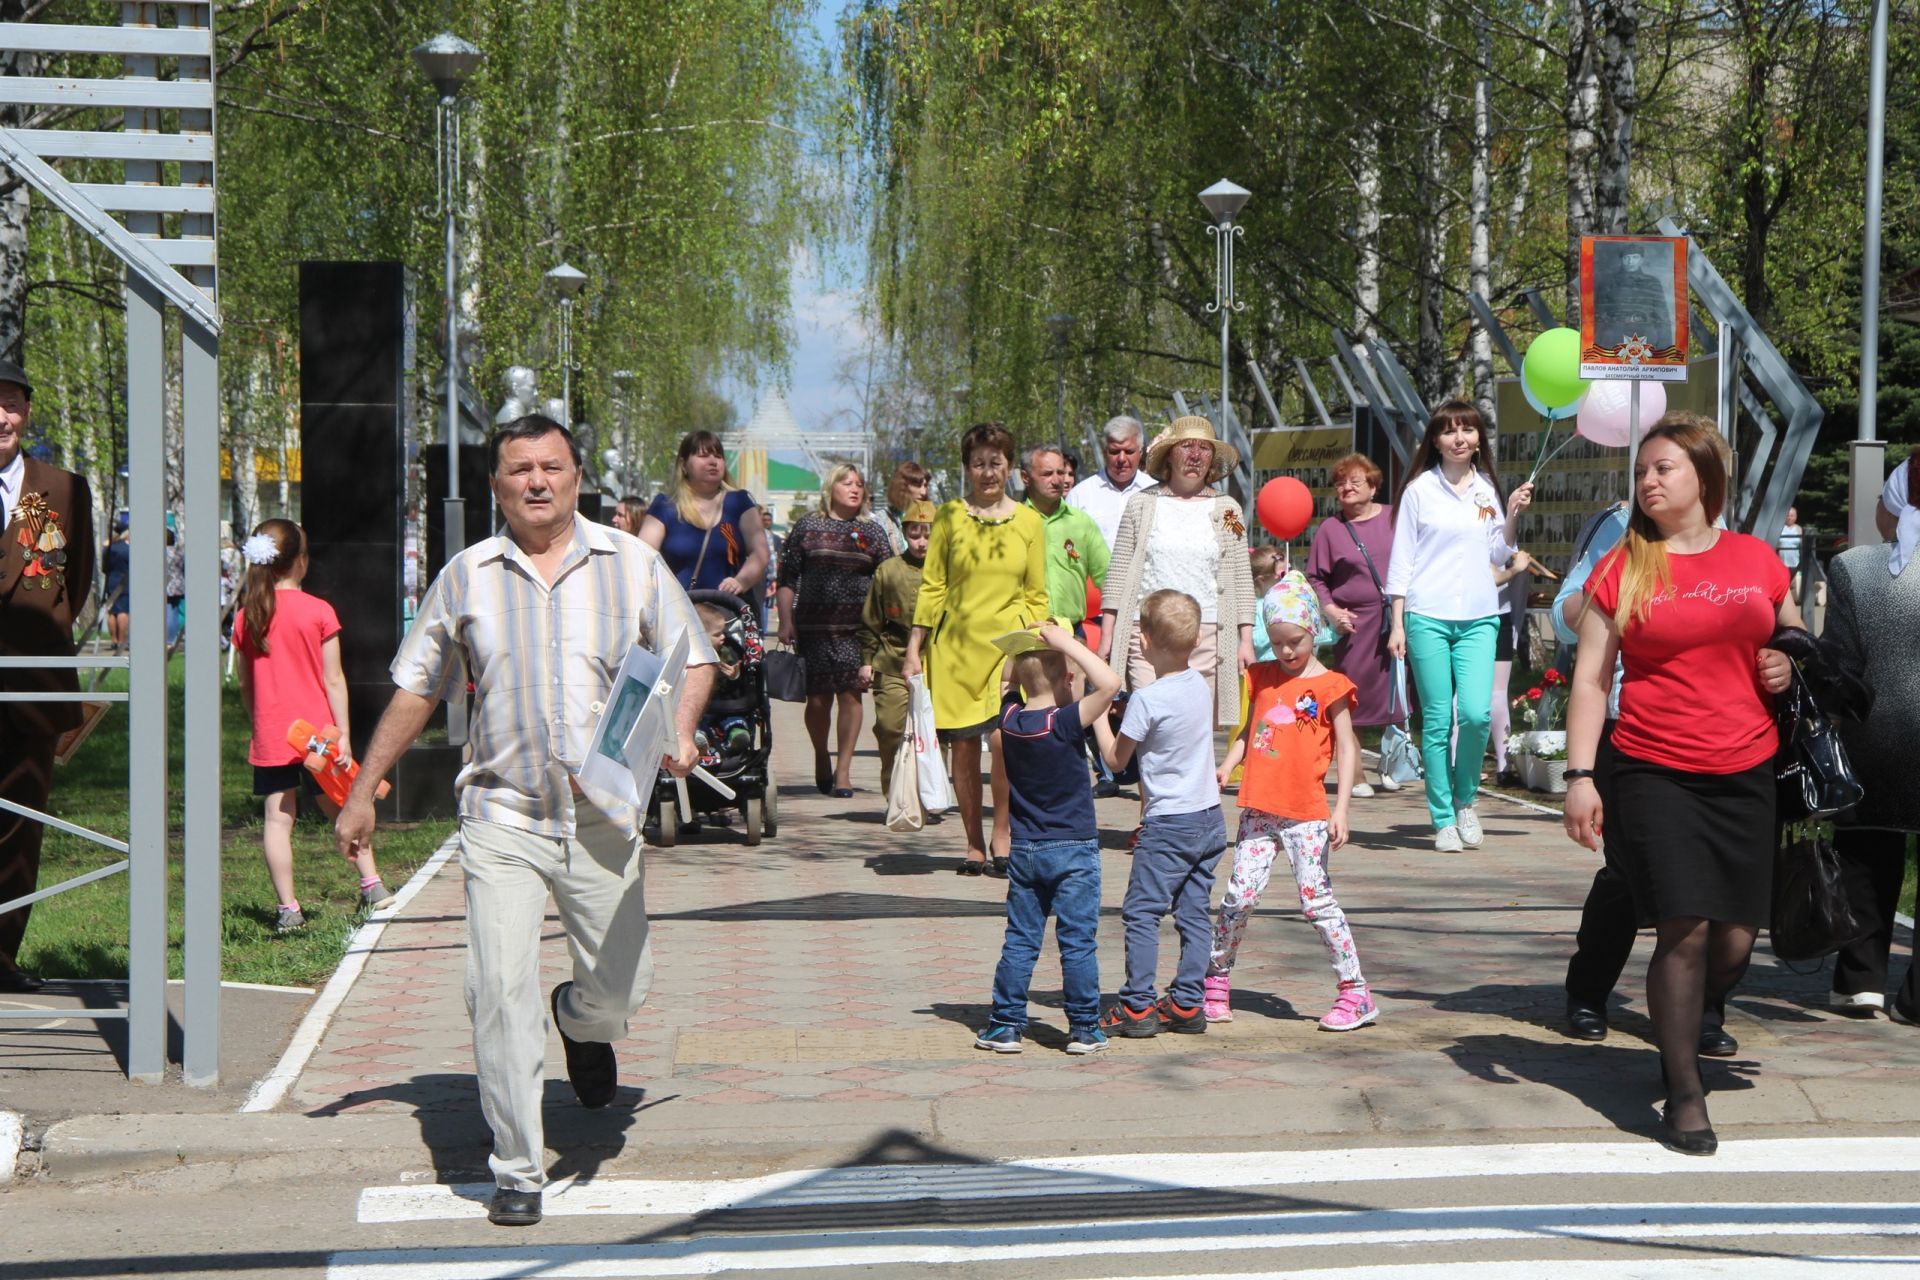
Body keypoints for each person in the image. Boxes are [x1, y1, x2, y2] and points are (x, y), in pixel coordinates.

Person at [334, 414, 716, 1227]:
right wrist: (365, 787)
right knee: (496, 990)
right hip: (501, 814)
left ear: (577, 476)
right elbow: (418, 685)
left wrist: (681, 731)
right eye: (518, 470)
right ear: (497, 485)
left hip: (603, 815)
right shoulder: (467, 575)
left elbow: (695, 656)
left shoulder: (632, 565)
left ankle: (581, 1022)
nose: (536, 481)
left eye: (550, 466)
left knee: (622, 990)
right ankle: (516, 1167)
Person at [1565, 413, 1799, 1156]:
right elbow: (1591, 683)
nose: (1648, 482)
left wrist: (1790, 663)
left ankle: (1693, 1017)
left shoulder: (1757, 560)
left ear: (1706, 476)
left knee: (1735, 937)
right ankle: (1684, 1091)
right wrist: (1578, 775)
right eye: (1642, 472)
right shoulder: (1626, 565)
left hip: (1747, 766)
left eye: (1663, 467)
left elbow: (1796, 639)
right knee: (1686, 926)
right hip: (1653, 768)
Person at [1208, 573, 1374, 1031]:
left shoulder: (1332, 685)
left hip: (1306, 814)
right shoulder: (1260, 677)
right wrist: (1228, 765)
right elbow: (1249, 732)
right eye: (1277, 642)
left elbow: (1348, 746)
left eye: (1294, 641)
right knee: (1238, 896)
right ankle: (1216, 979)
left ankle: (1355, 992)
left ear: (1313, 630)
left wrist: (1341, 809)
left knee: (1316, 902)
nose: (1286, 652)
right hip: (1259, 807)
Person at [1384, 400, 1534, 851]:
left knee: (1474, 714)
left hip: (1480, 615)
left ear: (1477, 440)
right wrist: (1397, 624)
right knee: (1437, 719)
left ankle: (1466, 800)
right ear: (1435, 440)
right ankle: (1443, 816)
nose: (1459, 438)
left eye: (1467, 430)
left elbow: (1497, 551)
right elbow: (1401, 561)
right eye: (1449, 431)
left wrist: (1511, 514)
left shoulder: (1486, 490)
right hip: (1426, 615)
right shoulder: (1418, 491)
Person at [903, 423, 1051, 876]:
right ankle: (972, 841)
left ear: (1010, 467)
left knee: (1003, 741)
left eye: (996, 462)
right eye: (979, 464)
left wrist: (1032, 647)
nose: (988, 472)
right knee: (964, 748)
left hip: (1007, 649)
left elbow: (1036, 595)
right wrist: (914, 648)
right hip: (954, 652)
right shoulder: (948, 516)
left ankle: (1001, 832)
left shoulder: (1029, 521)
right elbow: (933, 586)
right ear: (967, 469)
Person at [233, 519, 394, 930]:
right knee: (341, 803)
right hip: (319, 737)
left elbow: (245, 685)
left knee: (276, 819)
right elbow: (334, 679)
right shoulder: (319, 611)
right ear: (302, 562)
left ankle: (288, 909)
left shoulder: (245, 617)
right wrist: (342, 734)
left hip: (272, 735)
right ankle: (371, 884)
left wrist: (259, 722)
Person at [972, 624, 1120, 1057]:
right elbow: (1110, 683)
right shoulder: (1065, 722)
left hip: (1025, 850)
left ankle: (1004, 1025)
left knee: (1020, 939)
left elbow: (1005, 682)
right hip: (1074, 849)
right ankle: (1084, 1028)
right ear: (1066, 680)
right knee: (1076, 941)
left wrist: (1016, 651)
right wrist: (1066, 642)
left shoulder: (1010, 719)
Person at [0, 358, 95, 994]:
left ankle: (0, 956)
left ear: (27, 412)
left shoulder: (53, 491)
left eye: (9, 403)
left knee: (18, 828)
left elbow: (74, 577)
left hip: (30, 690)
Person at [1095, 590, 1229, 1038]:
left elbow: (1116, 762)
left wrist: (1097, 712)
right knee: (1193, 912)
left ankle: (1136, 1006)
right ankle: (1189, 1003)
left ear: (1146, 642)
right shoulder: (1198, 685)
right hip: (1209, 817)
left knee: (1143, 911)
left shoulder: (1147, 700)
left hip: (1168, 823)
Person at [1824, 452, 1919, 1024]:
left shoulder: (1853, 568)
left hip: (1875, 735)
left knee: (1865, 853)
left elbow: (1841, 665)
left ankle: (1860, 981)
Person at [1099, 416, 1256, 730]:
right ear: (1170, 453)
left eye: (1204, 448)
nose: (1195, 455)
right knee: (1150, 725)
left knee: (1194, 729)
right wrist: (1107, 635)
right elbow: (1118, 573)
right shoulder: (1140, 504)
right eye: (1187, 446)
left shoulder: (1228, 510)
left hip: (1208, 634)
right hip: (1146, 634)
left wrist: (1246, 639)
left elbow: (1241, 574)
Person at [776, 464, 892, 798]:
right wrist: (786, 621)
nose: (855, 489)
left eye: (859, 484)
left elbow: (888, 576)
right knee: (818, 700)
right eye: (847, 483)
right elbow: (787, 578)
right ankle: (820, 754)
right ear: (831, 488)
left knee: (851, 695)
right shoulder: (809, 526)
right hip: (814, 625)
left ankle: (843, 770)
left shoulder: (871, 532)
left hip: (857, 628)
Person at [1305, 453, 1398, 794]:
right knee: (1353, 698)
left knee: (1398, 696)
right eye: (1340, 483)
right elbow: (1316, 577)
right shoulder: (1331, 529)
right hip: (1355, 624)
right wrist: (1331, 611)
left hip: (1397, 619)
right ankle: (1355, 774)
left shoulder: (1394, 518)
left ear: (1373, 487)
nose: (1346, 488)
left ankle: (1393, 766)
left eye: (1355, 482)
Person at [858, 499, 934, 801]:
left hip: (936, 660)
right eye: (915, 534)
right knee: (890, 727)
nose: (921, 542)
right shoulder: (888, 571)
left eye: (928, 534)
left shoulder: (949, 573)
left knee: (934, 733)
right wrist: (866, 660)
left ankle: (929, 795)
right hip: (892, 656)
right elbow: (871, 618)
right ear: (904, 533)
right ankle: (896, 793)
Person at [638, 432, 770, 599]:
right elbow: (642, 558)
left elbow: (760, 553)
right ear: (684, 465)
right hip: (679, 612)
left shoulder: (740, 502)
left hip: (729, 613)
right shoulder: (665, 506)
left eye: (718, 456)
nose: (713, 461)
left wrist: (740, 581)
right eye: (703, 456)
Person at [1067, 415, 1156, 554]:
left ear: (1140, 452)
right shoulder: (1080, 495)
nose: (1121, 459)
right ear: (1104, 453)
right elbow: (1068, 544)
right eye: (1114, 452)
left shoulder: (1156, 492)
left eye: (1128, 451)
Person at [1593, 243, 1674, 351]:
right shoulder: (1608, 283)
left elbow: (1662, 316)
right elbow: (1599, 316)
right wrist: (1600, 346)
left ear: (1642, 260)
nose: (1630, 261)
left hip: (1646, 338)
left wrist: (1664, 348)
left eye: (1635, 257)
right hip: (1614, 339)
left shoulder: (1652, 283)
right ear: (1621, 260)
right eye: (1627, 258)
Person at [876, 461, 932, 555]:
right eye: (918, 485)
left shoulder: (931, 517)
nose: (923, 492)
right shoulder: (882, 520)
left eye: (925, 486)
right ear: (902, 486)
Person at [102, 515, 131, 652]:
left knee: (112, 611)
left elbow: (104, 568)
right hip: (125, 581)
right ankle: (121, 640)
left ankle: (114, 640)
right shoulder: (128, 549)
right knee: (123, 611)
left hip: (111, 581)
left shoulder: (108, 548)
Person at [1778, 505, 1803, 586]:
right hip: (1782, 563)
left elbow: (1802, 546)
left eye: (1792, 515)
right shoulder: (1779, 528)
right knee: (1784, 585)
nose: (1789, 517)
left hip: (1795, 562)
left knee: (1794, 585)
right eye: (1788, 515)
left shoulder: (1799, 529)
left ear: (1795, 517)